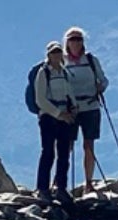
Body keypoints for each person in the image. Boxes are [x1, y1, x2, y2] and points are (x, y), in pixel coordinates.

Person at [59, 27, 110, 187]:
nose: (76, 42)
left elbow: (104, 80)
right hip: (70, 109)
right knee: (67, 146)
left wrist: (100, 87)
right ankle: (60, 183)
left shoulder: (91, 60)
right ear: (67, 42)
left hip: (90, 106)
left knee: (89, 145)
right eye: (73, 39)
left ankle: (88, 182)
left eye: (79, 39)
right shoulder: (61, 62)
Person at [32, 40, 77, 201]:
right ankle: (43, 189)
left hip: (64, 116)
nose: (56, 55)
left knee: (64, 154)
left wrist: (74, 108)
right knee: (48, 152)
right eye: (53, 52)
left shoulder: (64, 73)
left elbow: (70, 93)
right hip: (48, 118)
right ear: (48, 55)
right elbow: (40, 100)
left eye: (58, 52)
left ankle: (61, 188)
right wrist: (59, 113)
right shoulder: (43, 73)